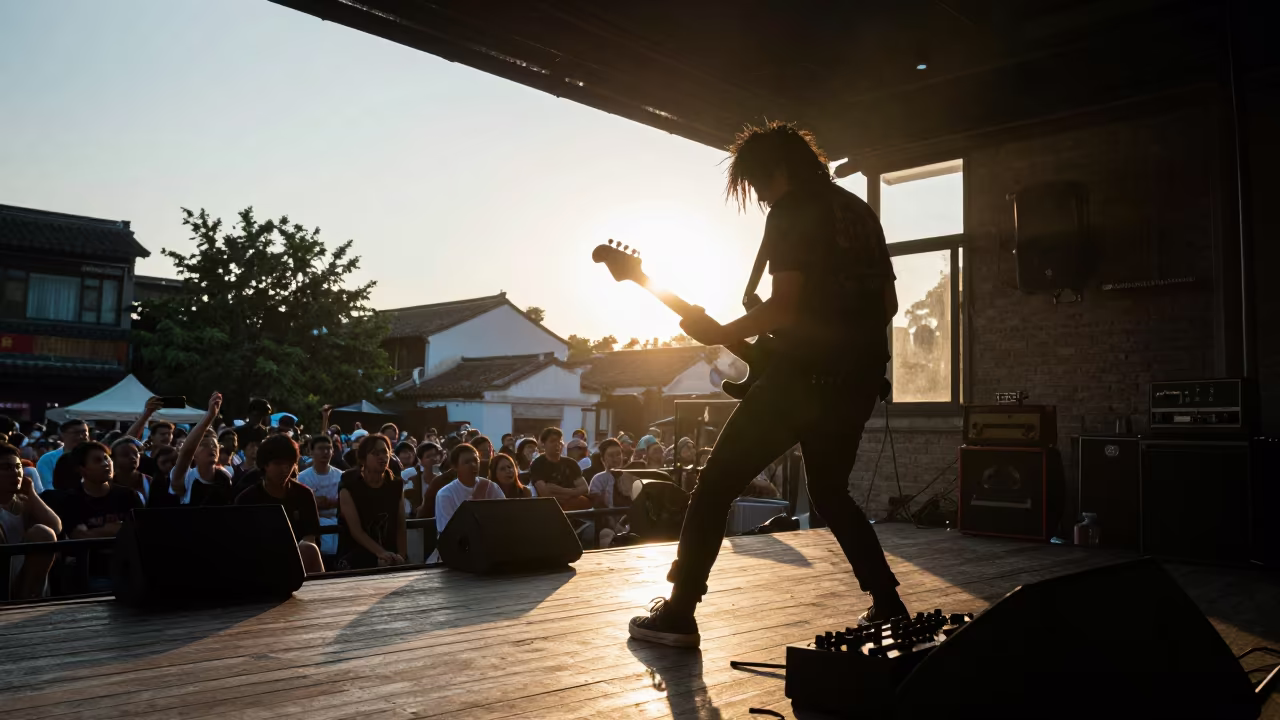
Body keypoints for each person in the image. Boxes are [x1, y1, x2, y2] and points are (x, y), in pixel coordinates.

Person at [628, 122, 905, 648]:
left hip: (801, 381)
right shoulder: (859, 213)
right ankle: (888, 601)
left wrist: (726, 334)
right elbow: (887, 305)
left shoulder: (793, 210)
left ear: (776, 170)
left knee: (712, 488)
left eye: (757, 185)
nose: (760, 197)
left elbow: (784, 307)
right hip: (857, 381)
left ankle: (680, 613)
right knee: (829, 493)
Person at [235, 435, 324, 574]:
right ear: (265, 464)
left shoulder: (304, 495)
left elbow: (310, 537)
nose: (284, 469)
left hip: (298, 561)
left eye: (289, 464)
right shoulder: (247, 499)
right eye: (278, 463)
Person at [0, 441, 61, 600]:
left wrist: (31, 492)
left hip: (24, 572)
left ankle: (25, 600)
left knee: (43, 532)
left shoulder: (25, 502)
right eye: (6, 468)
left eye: (18, 467)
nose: (16, 473)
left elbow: (55, 527)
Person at [336, 434, 406, 569]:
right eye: (375, 453)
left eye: (385, 453)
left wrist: (401, 556)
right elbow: (356, 530)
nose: (382, 457)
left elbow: (400, 525)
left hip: (389, 553)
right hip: (355, 553)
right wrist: (381, 553)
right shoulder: (349, 483)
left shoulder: (395, 484)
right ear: (363, 459)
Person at [153, 393, 233, 507]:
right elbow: (186, 453)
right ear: (194, 454)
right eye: (204, 444)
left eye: (213, 444)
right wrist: (209, 416)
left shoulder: (225, 477)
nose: (211, 447)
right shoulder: (186, 478)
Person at [434, 443, 504, 535]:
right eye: (467, 462)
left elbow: (503, 517)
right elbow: (447, 531)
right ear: (455, 467)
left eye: (475, 461)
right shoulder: (445, 494)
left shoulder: (491, 487)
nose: (473, 465)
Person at [297, 434, 344, 557]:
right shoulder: (302, 477)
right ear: (311, 451)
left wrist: (334, 503)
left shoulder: (341, 476)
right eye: (321, 448)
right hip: (315, 522)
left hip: (337, 520)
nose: (325, 452)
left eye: (328, 448)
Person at [527, 427, 590, 510]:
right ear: (543, 444)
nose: (557, 444)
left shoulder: (571, 463)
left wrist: (561, 490)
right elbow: (546, 493)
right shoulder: (538, 464)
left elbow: (585, 488)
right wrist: (575, 492)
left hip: (573, 506)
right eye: (552, 441)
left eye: (560, 441)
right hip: (550, 508)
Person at [587, 438, 634, 547]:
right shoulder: (598, 479)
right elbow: (599, 506)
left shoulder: (631, 476)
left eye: (618, 454)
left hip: (631, 521)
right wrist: (615, 525)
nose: (616, 459)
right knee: (606, 535)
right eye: (611, 455)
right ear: (603, 459)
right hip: (608, 525)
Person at [35, 418, 88, 492]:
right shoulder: (48, 459)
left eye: (84, 432)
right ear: (63, 435)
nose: (81, 436)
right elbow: (48, 489)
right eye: (76, 433)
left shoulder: (95, 457)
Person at [110, 437, 150, 504]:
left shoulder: (150, 482)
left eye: (135, 453)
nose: (132, 457)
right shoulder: (107, 484)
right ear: (113, 459)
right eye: (125, 454)